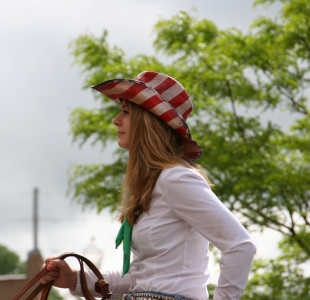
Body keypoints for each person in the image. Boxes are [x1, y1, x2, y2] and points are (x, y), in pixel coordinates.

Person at [40, 71, 257, 300]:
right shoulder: (154, 183)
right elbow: (140, 279)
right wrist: (76, 279)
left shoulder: (177, 179)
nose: (116, 119)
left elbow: (240, 246)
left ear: (148, 121)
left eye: (125, 112)